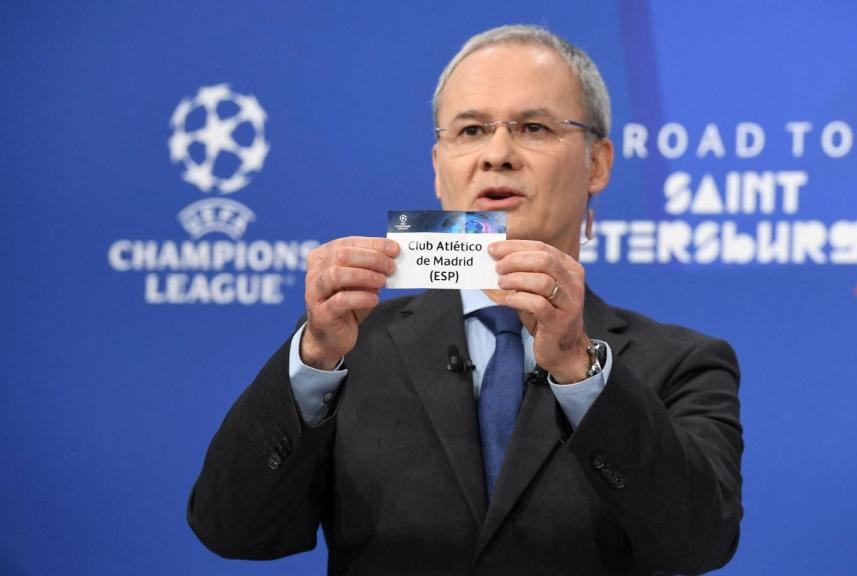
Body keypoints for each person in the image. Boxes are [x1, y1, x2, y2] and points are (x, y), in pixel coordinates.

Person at [189, 24, 742, 575]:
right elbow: (232, 529)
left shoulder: (681, 363)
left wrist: (579, 369)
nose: (497, 154)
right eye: (472, 130)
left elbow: (699, 541)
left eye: (533, 126)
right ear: (438, 166)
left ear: (597, 163)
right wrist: (311, 361)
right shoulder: (349, 348)